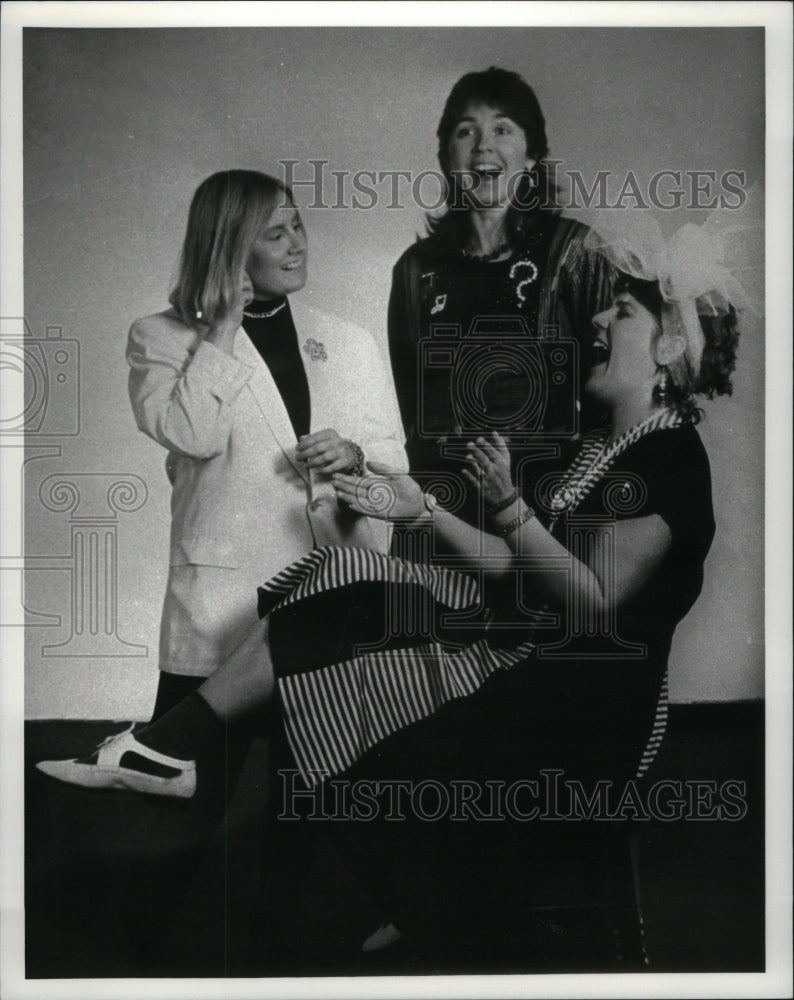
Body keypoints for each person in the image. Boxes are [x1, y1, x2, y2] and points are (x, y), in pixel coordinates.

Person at [37, 205, 753, 966]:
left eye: (624, 309)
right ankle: (173, 751)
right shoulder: (598, 447)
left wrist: (510, 507)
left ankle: (417, 894)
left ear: (673, 346)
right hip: (525, 672)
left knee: (336, 684)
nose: (600, 318)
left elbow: (590, 604)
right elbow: (521, 571)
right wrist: (425, 507)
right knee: (346, 583)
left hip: (578, 715)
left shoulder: (670, 460)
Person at [124, 169, 406, 721]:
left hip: (331, 584)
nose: (297, 243)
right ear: (228, 246)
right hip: (222, 596)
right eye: (275, 234)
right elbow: (191, 434)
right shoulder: (159, 337)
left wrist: (352, 453)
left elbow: (395, 467)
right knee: (191, 776)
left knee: (310, 788)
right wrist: (223, 328)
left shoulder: (350, 341)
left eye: (298, 225)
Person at [387, 67, 617, 531]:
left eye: (502, 129)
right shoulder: (414, 270)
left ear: (532, 156)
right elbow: (407, 416)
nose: (482, 146)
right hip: (442, 517)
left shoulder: (577, 251)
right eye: (465, 131)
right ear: (447, 157)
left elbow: (609, 406)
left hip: (547, 514)